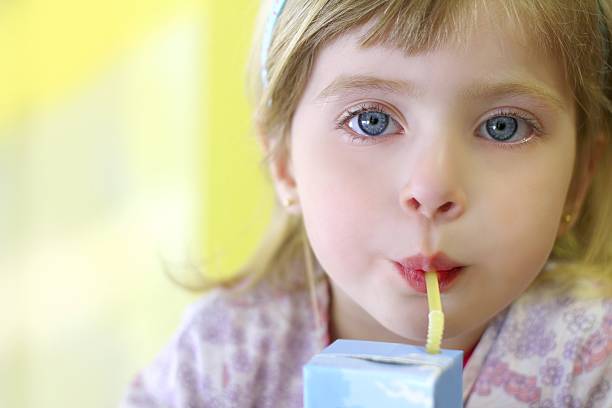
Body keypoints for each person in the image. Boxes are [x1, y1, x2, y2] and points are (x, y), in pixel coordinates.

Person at [121, 0, 612, 406]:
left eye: (503, 126)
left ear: (576, 179)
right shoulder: (223, 356)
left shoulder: (592, 361)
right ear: (285, 160)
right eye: (371, 121)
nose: (432, 188)